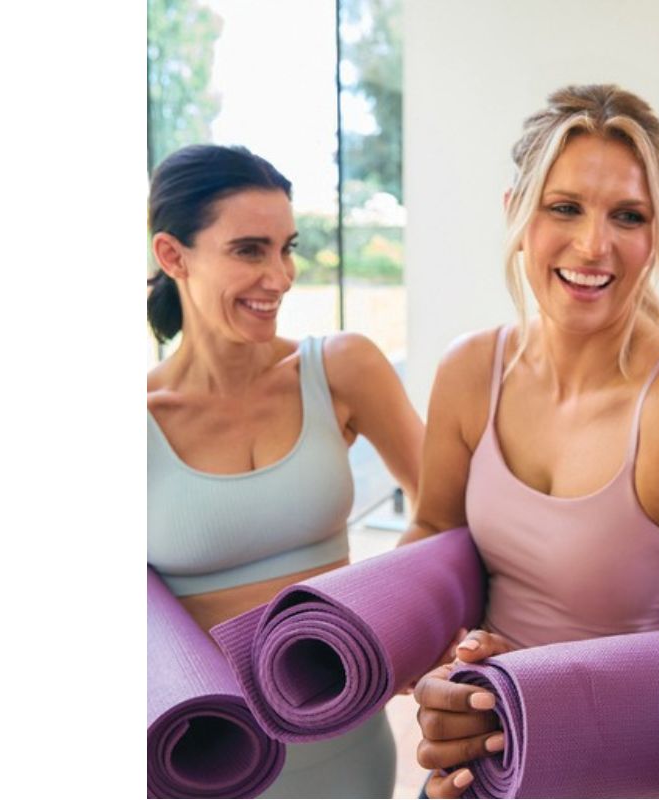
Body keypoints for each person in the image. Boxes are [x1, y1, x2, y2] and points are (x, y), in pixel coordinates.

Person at [402, 84, 659, 797]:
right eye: (564, 206)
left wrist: (547, 697)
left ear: (655, 235)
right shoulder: (470, 370)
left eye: (627, 216)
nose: (593, 244)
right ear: (516, 212)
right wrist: (419, 657)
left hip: (626, 775)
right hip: (484, 761)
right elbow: (433, 530)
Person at [145, 144, 423, 798]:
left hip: (349, 743)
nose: (281, 275)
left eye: (286, 247)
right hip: (208, 768)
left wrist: (404, 627)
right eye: (249, 250)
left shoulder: (342, 368)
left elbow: (446, 512)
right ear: (172, 255)